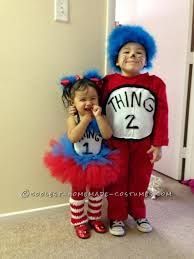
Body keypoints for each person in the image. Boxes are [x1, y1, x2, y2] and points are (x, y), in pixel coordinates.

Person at [102, 25, 169, 235]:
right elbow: (97, 109)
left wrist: (158, 144)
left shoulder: (156, 83)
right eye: (127, 52)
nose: (133, 55)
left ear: (146, 58)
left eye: (139, 52)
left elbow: (162, 114)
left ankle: (139, 213)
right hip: (115, 143)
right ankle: (117, 217)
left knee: (140, 180)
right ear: (116, 58)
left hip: (145, 143)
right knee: (116, 181)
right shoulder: (107, 82)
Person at [44, 71, 121, 239]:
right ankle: (79, 220)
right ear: (73, 102)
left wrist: (98, 117)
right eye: (83, 99)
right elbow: (73, 137)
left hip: (99, 161)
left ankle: (94, 218)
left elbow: (107, 135)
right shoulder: (73, 119)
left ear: (98, 100)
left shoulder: (100, 117)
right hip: (77, 162)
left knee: (97, 192)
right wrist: (85, 119)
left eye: (93, 98)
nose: (88, 103)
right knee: (78, 193)